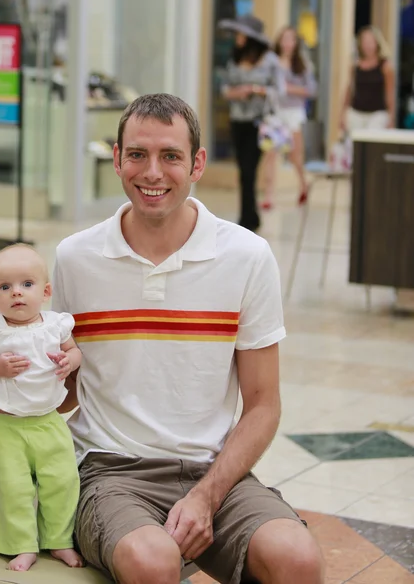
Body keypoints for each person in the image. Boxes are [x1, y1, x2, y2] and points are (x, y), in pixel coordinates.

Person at [52, 93, 324, 584]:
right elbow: (64, 388)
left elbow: (263, 404)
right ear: (116, 159)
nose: (151, 172)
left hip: (214, 471)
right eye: (137, 154)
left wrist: (206, 495)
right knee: (153, 560)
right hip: (109, 472)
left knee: (297, 559)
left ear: (197, 163)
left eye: (170, 156)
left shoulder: (247, 256)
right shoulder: (76, 258)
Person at [0, 244, 83, 572]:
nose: (16, 293)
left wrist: (67, 361)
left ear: (45, 291)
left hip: (50, 423)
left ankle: (58, 540)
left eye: (26, 285)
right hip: (7, 428)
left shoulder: (56, 325)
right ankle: (21, 545)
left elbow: (75, 353)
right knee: (11, 488)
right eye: (5, 287)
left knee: (62, 482)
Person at [219, 14, 286, 232]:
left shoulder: (270, 61)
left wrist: (256, 90)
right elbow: (225, 89)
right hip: (238, 120)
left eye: (241, 33)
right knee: (242, 170)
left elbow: (280, 91)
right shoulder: (234, 59)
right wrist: (237, 92)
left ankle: (248, 218)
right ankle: (248, 216)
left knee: (249, 169)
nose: (237, 37)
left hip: (259, 122)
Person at [261, 26, 317, 210]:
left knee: (295, 154)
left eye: (290, 39)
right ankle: (269, 195)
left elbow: (310, 90)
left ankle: (303, 183)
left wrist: (288, 88)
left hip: (294, 113)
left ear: (296, 43)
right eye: (284, 39)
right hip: (275, 113)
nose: (286, 43)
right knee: (271, 154)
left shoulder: (302, 65)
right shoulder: (271, 62)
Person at [339, 25, 395, 132]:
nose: (368, 45)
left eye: (371, 41)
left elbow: (390, 93)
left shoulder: (385, 66)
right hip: (356, 112)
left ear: (377, 43)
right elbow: (349, 90)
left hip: (377, 114)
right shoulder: (355, 66)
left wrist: (391, 117)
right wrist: (342, 114)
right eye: (365, 41)